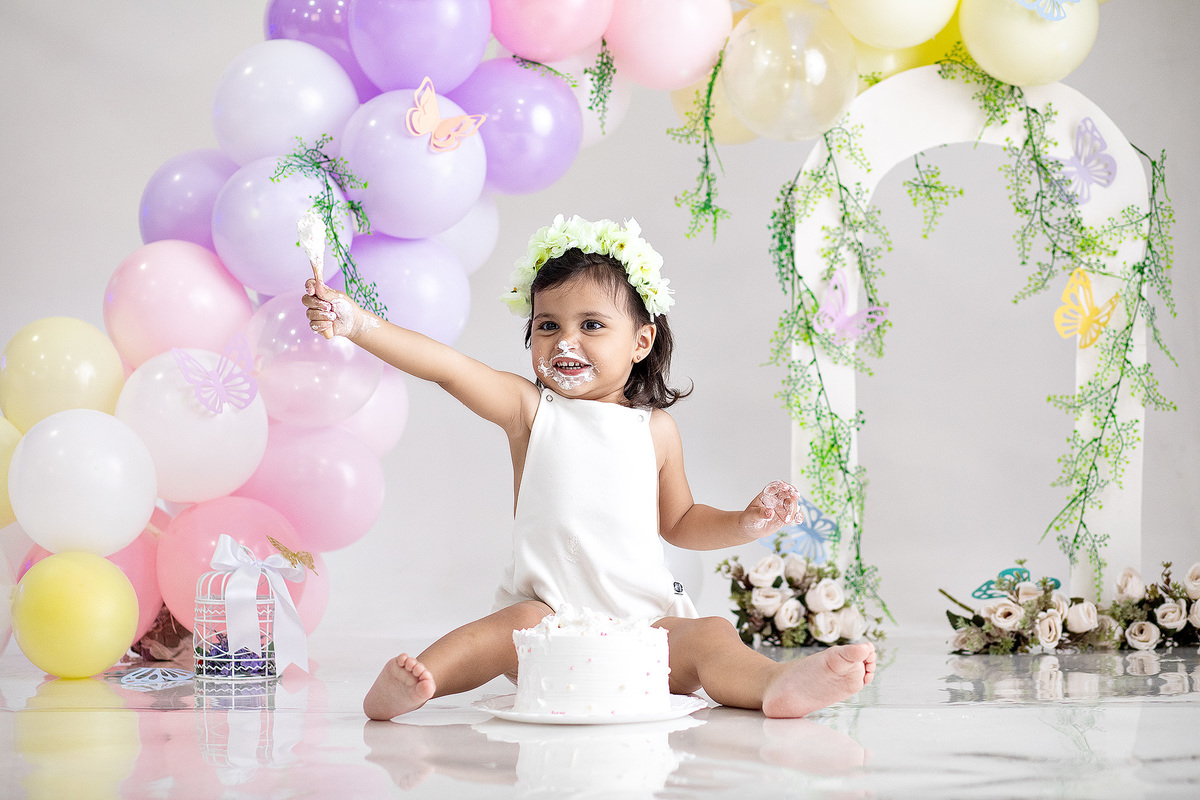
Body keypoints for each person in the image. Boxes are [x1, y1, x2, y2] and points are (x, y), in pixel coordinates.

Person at [302, 214, 876, 721]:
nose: (565, 341)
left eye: (592, 325)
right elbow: (448, 368)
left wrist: (744, 523)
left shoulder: (655, 430)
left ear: (641, 341)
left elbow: (680, 522)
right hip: (548, 632)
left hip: (645, 635)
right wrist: (357, 323)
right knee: (510, 624)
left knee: (711, 635)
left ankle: (773, 684)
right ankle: (419, 683)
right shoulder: (531, 411)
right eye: (547, 325)